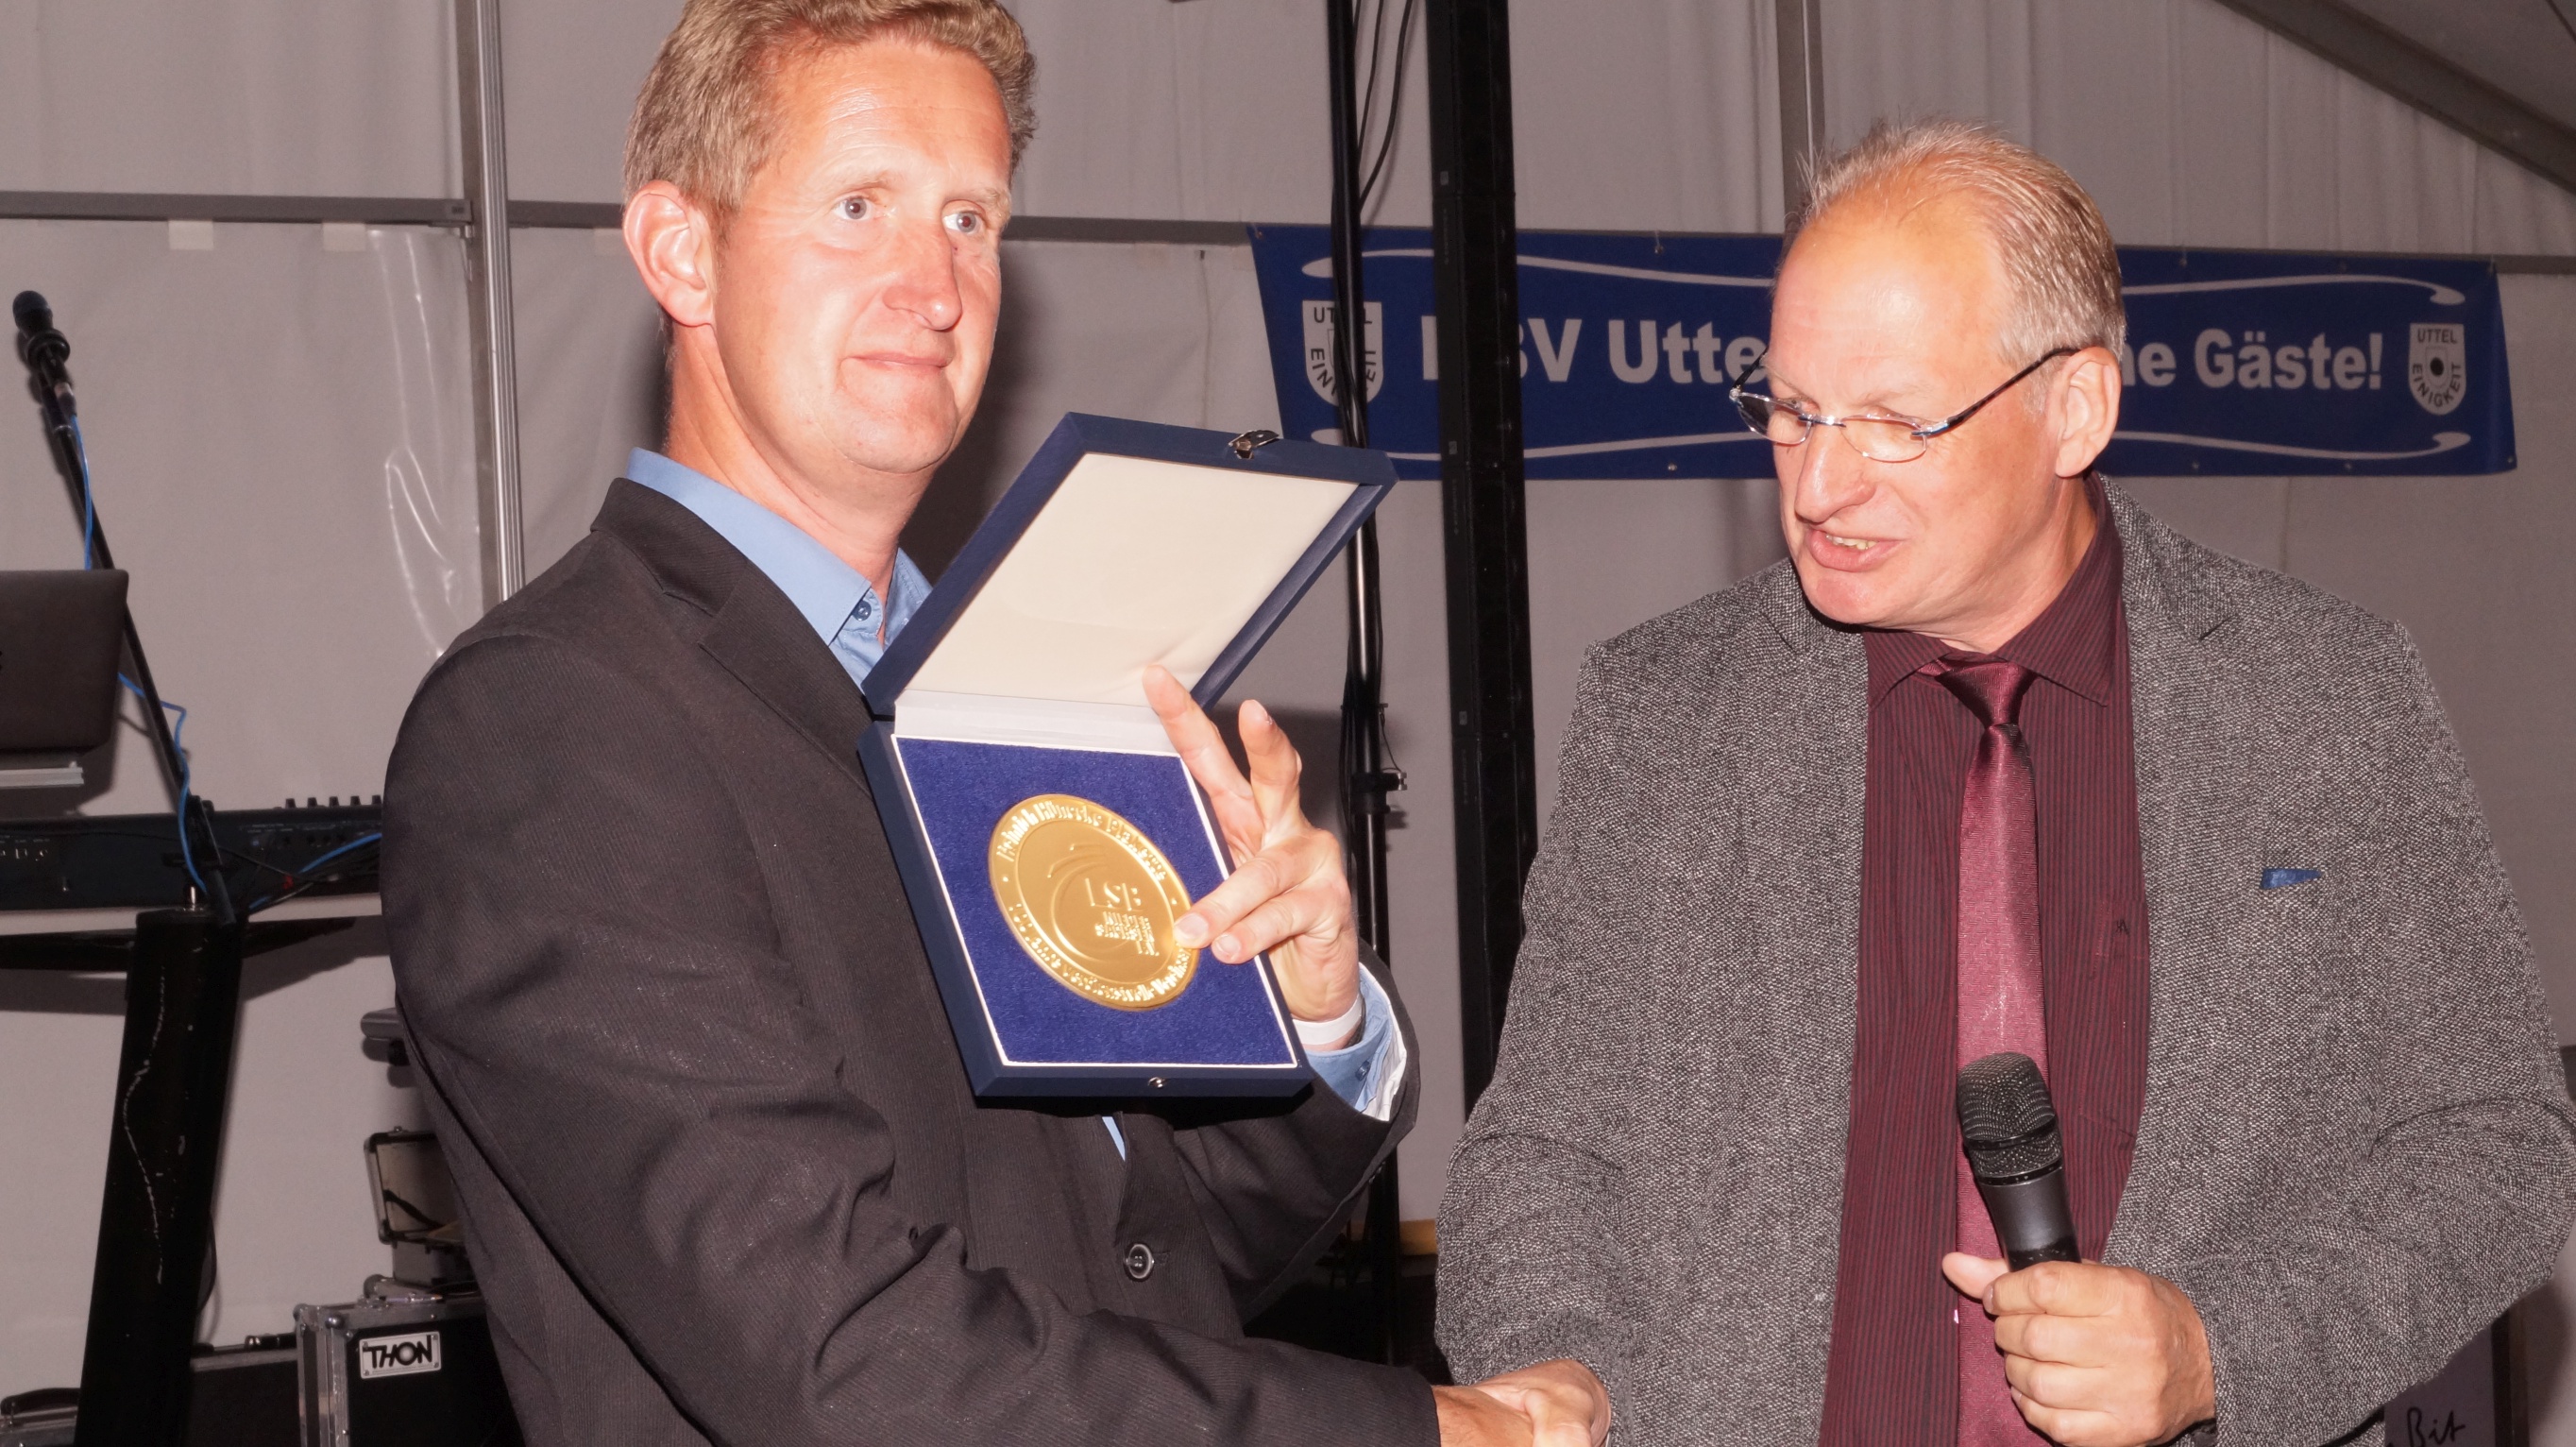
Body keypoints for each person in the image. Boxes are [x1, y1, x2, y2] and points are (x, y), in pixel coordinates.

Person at [382, 3, 1585, 1443]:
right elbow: (841, 1356)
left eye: (971, 218)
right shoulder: (554, 724)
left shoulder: (1011, 690)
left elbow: (1143, 1257)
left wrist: (1314, 1014)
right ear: (680, 251)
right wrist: (1422, 1432)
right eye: (859, 207)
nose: (936, 286)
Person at [1434, 119, 2576, 1447]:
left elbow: (2494, 1142)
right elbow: (1546, 1154)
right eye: (1791, 412)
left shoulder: (2322, 695)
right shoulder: (1669, 716)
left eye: (1894, 422)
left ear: (2073, 408)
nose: (1820, 483)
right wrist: (1560, 1367)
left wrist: (2222, 1351)